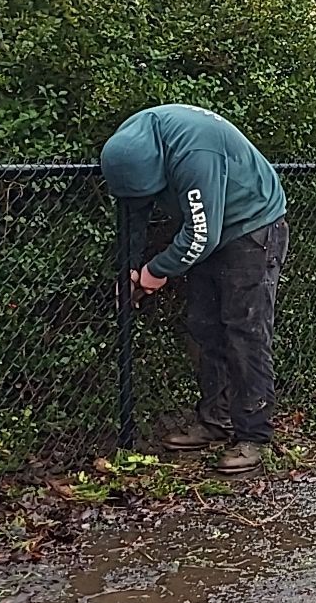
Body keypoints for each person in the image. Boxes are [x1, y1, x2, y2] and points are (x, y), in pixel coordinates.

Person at [100, 104, 288, 473]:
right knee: (203, 328)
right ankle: (214, 423)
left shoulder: (193, 153)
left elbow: (203, 234)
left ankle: (253, 436)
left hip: (252, 227)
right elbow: (133, 213)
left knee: (244, 331)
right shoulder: (129, 145)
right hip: (211, 231)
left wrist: (155, 272)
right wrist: (130, 269)